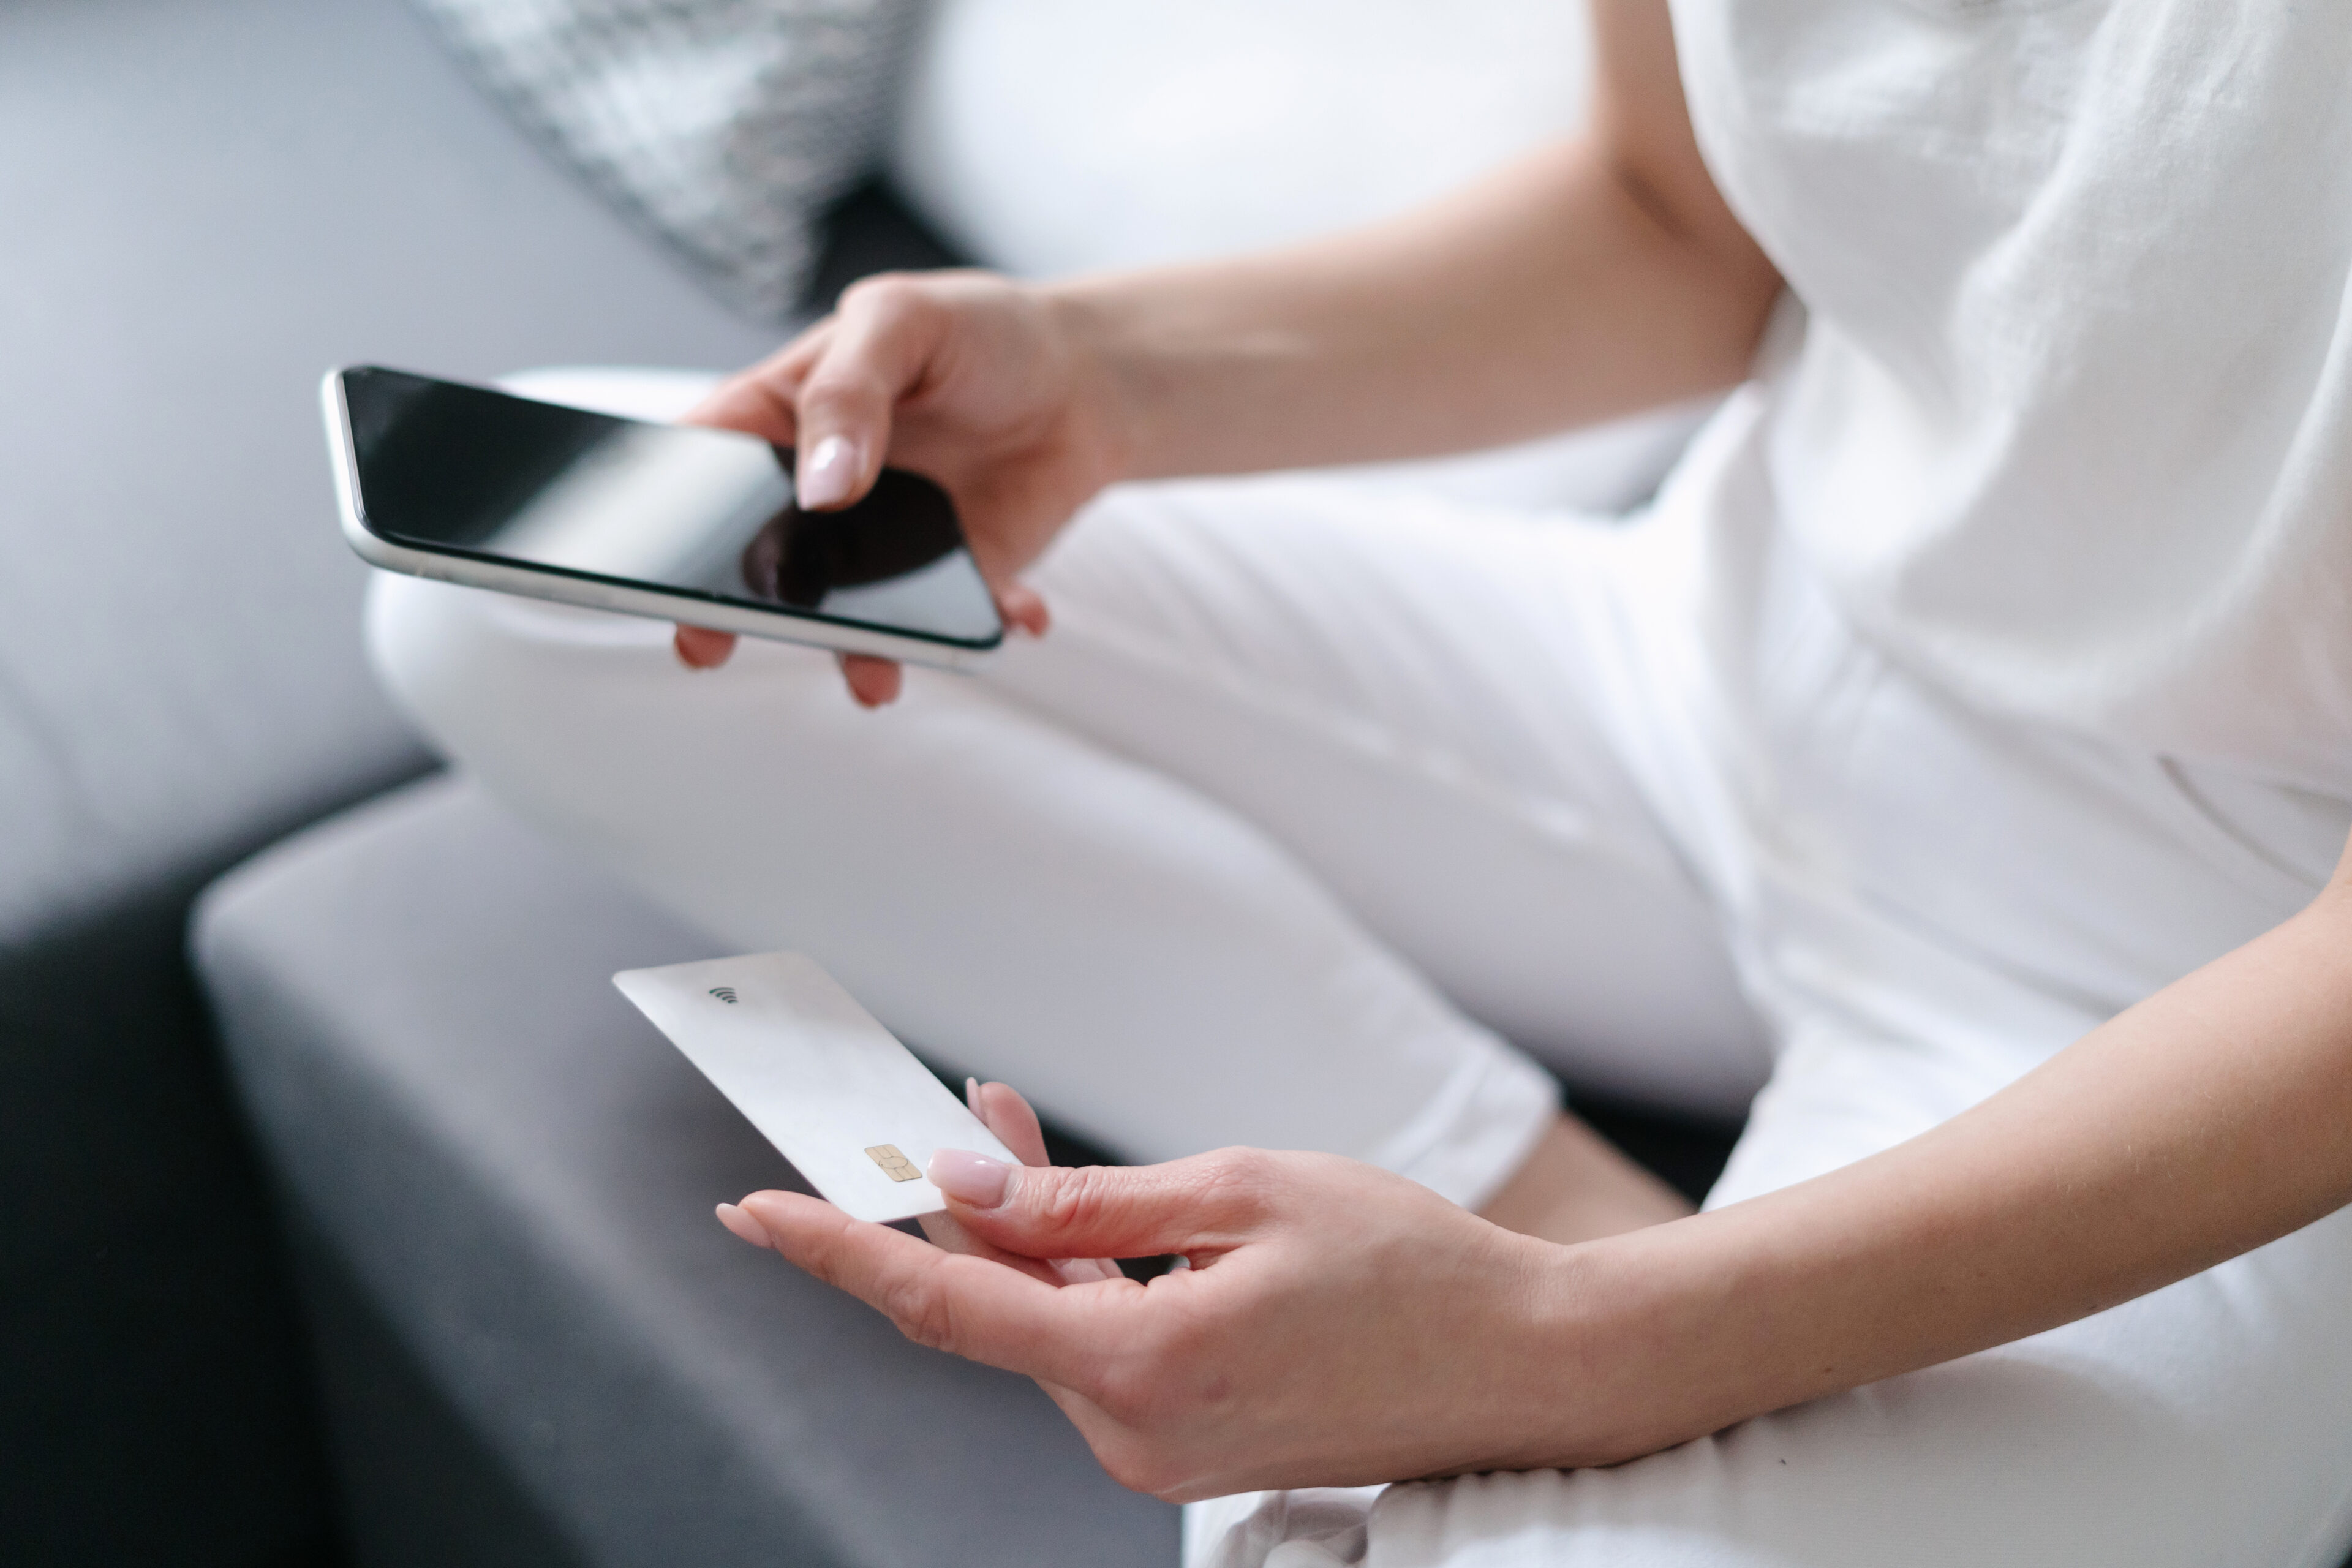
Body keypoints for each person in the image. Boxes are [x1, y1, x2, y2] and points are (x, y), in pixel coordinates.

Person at [368, 0, 2352, 1561]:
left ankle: (1520, 1284)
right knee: (530, 597)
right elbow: (1673, 226)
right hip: (1702, 666)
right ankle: (1505, 1190)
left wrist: (1587, 1354)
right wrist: (1103, 372)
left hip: (2199, 974)